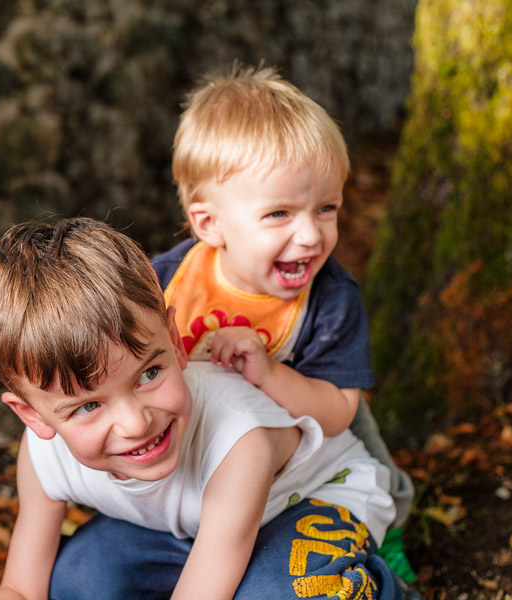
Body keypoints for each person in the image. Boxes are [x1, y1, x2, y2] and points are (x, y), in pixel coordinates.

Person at [0, 217, 402, 600]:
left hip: (311, 500)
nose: (137, 422)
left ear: (175, 344)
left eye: (149, 375)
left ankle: (382, 587)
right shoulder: (43, 458)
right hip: (194, 530)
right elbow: (22, 587)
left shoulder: (237, 440)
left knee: (277, 594)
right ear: (34, 416)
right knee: (80, 584)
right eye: (89, 406)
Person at [152, 62, 417, 581]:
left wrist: (270, 373)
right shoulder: (167, 279)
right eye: (279, 214)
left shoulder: (330, 298)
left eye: (326, 209)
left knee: (370, 454)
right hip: (214, 438)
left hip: (314, 430)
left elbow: (338, 412)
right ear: (210, 223)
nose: (312, 236)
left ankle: (388, 533)